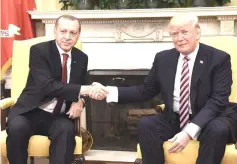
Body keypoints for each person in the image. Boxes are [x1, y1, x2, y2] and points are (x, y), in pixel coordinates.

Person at [92, 14, 237, 164]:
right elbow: (145, 90)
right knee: (147, 124)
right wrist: (108, 91)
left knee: (218, 129)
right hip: (175, 118)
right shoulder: (164, 59)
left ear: (197, 32)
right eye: (174, 34)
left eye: (184, 32)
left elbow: (218, 101)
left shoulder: (218, 59)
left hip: (210, 119)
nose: (179, 38)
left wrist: (188, 132)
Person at [6, 15, 108, 164]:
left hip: (58, 115)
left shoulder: (81, 57)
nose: (67, 37)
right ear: (55, 31)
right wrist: (85, 90)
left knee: (66, 131)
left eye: (73, 33)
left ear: (78, 35)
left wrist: (80, 101)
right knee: (16, 128)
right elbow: (48, 86)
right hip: (30, 111)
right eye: (63, 31)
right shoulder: (39, 51)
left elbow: (83, 82)